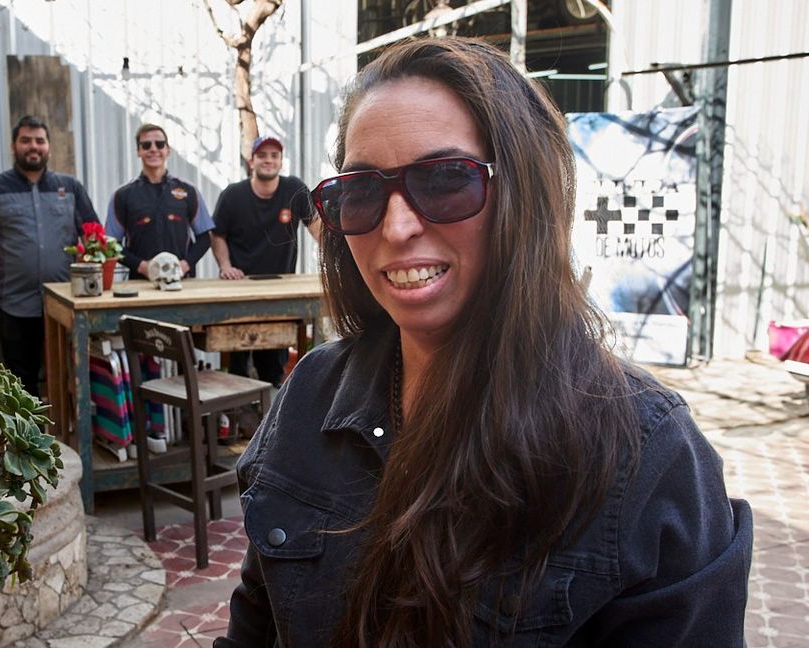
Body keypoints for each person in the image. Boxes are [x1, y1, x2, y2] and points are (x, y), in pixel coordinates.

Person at [219, 37, 752, 647]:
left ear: (526, 193)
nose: (397, 226)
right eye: (362, 190)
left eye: (446, 180)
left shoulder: (647, 454)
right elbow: (254, 624)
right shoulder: (309, 395)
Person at [0, 115, 99, 396]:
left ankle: (63, 423)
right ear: (14, 146)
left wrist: (91, 283)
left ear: (49, 146)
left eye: (40, 140)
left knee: (66, 374)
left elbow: (93, 237)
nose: (33, 146)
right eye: (26, 140)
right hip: (12, 301)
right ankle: (28, 425)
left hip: (64, 300)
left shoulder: (70, 188)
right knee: (20, 378)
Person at [211, 134, 319, 387]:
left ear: (281, 161)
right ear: (252, 161)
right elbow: (217, 235)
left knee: (272, 367)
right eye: (262, 155)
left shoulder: (294, 190)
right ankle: (239, 409)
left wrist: (336, 263)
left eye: (274, 155)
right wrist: (226, 266)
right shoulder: (233, 194)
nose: (268, 160)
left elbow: (318, 227)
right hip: (239, 291)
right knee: (236, 370)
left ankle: (271, 407)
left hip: (278, 293)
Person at [107, 123, 214, 279]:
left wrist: (184, 266)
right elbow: (111, 244)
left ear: (168, 150)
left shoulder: (188, 191)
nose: (153, 149)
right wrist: (142, 267)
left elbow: (205, 237)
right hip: (140, 282)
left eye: (160, 144)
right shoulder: (122, 195)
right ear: (138, 151)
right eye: (146, 145)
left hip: (182, 282)